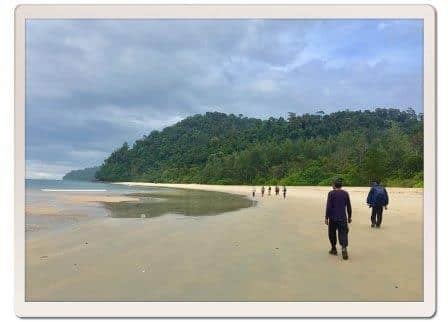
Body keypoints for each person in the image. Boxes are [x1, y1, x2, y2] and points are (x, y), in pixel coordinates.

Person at [325, 178, 352, 260]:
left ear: (334, 185)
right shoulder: (345, 193)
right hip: (343, 217)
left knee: (332, 233)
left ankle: (334, 249)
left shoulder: (331, 193)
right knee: (343, 233)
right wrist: (349, 217)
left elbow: (329, 206)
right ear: (341, 185)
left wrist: (326, 217)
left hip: (333, 218)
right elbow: (349, 206)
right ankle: (344, 248)